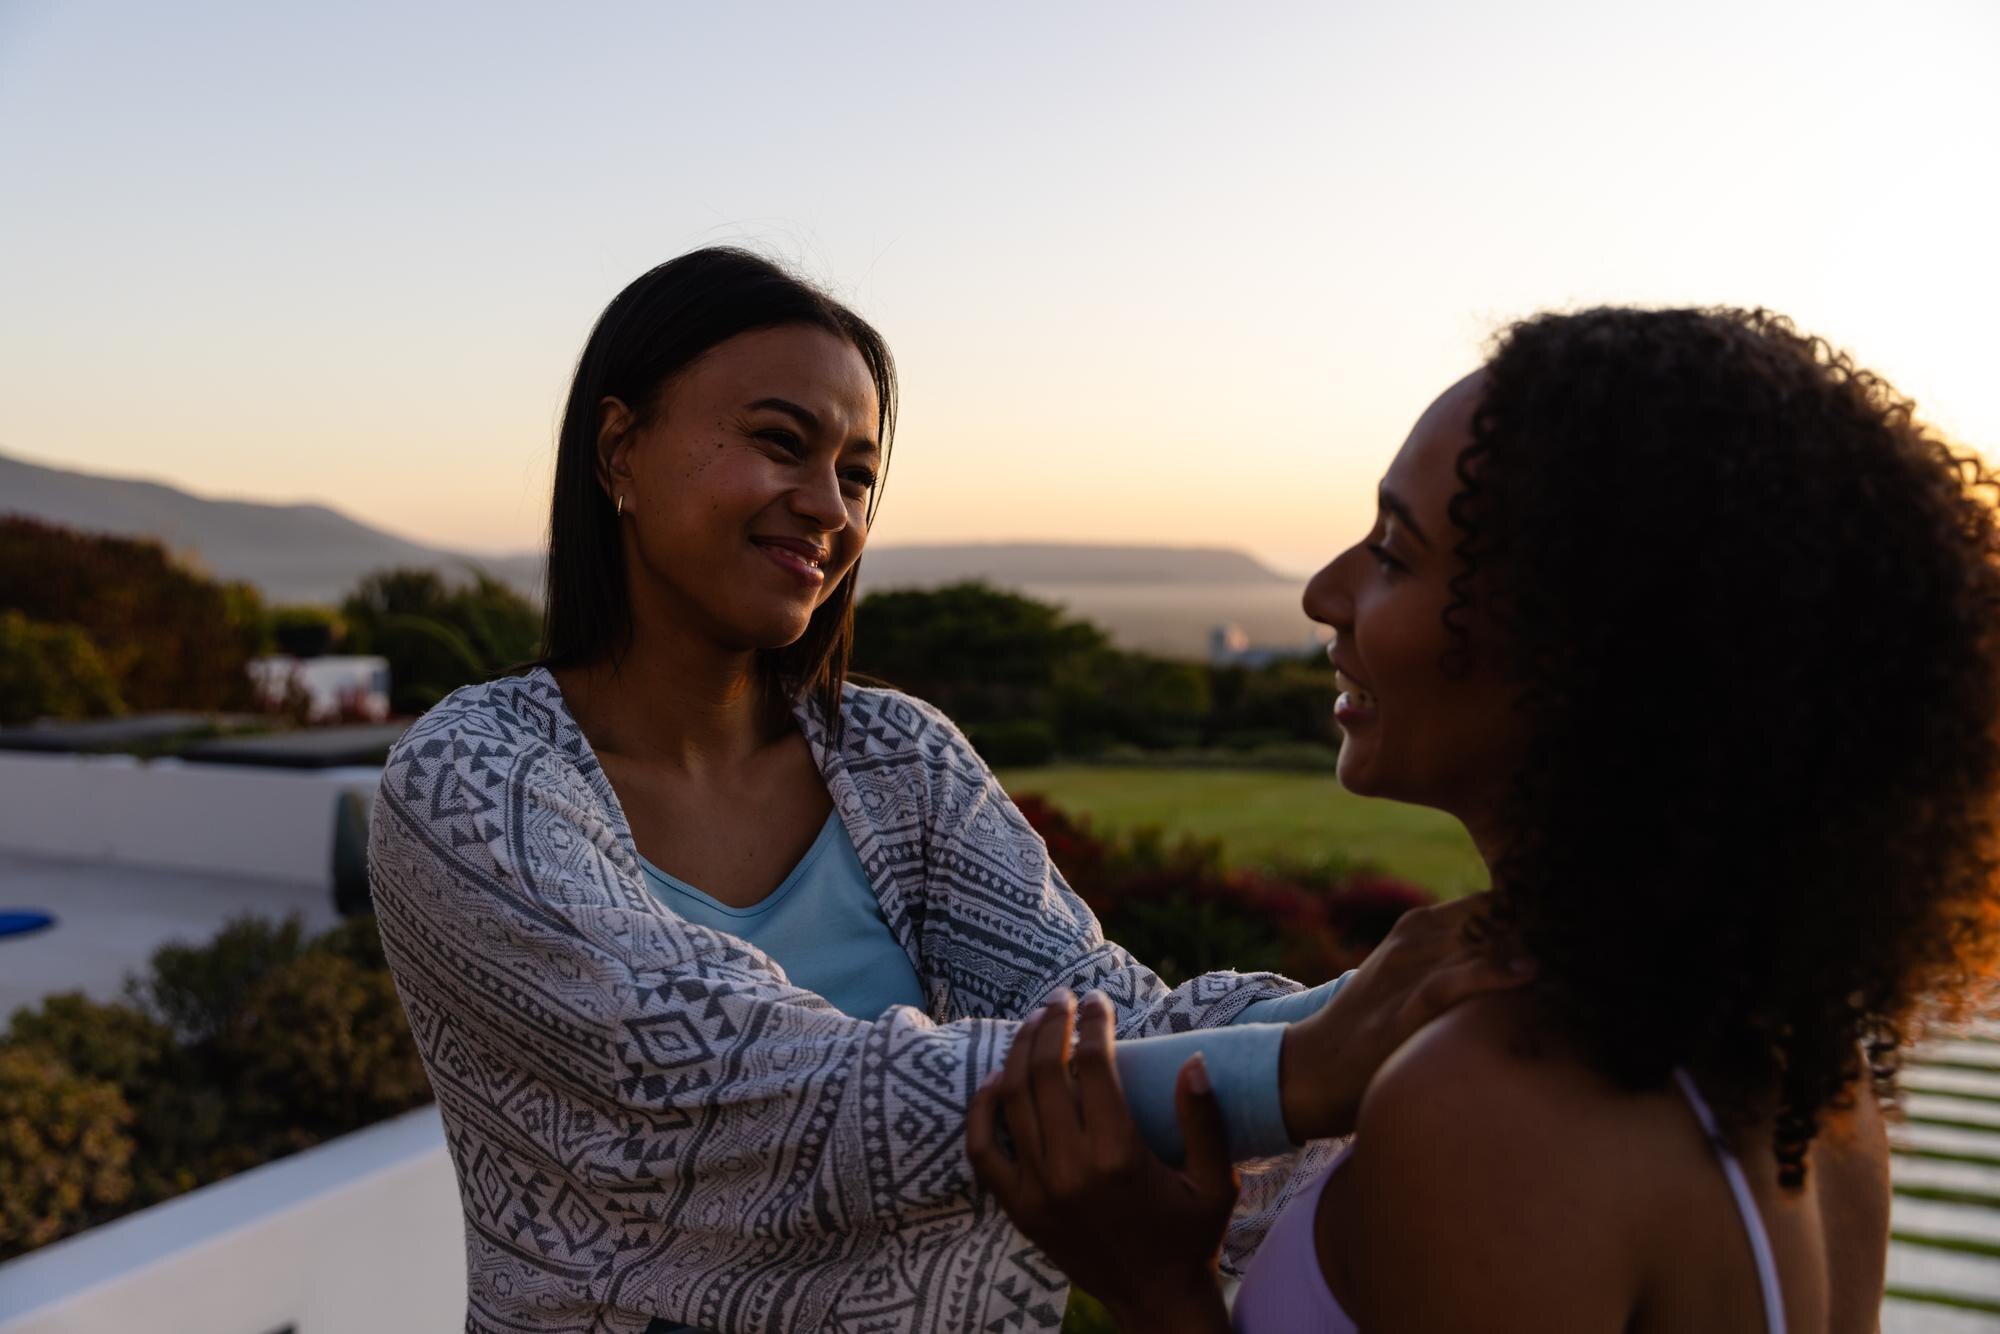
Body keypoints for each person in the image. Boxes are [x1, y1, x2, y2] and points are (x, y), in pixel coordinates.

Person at [366, 247, 1525, 1334]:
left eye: (855, 475)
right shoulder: (473, 776)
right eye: (780, 442)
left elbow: (1100, 1018)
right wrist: (1300, 1066)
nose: (830, 508)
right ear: (618, 448)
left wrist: (1390, 1003)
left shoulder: (897, 755)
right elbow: (742, 1085)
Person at [970, 306, 2000, 1332]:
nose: (1325, 593)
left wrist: (1157, 1289)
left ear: (1580, 653)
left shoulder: (1495, 1102)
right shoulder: (1812, 1078)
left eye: (1393, 553)